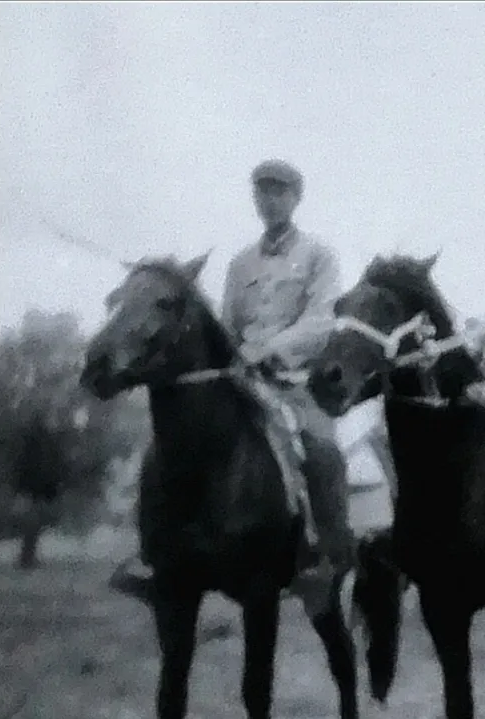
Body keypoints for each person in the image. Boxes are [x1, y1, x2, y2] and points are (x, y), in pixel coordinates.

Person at [111, 159, 352, 619]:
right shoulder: (241, 263)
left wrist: (268, 350)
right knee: (164, 449)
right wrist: (229, 358)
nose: (270, 199)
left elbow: (322, 320)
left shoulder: (320, 256)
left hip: (295, 383)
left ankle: (321, 556)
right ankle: (154, 558)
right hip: (243, 380)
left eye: (279, 191)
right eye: (262, 191)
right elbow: (227, 325)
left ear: (296, 198)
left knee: (320, 449)